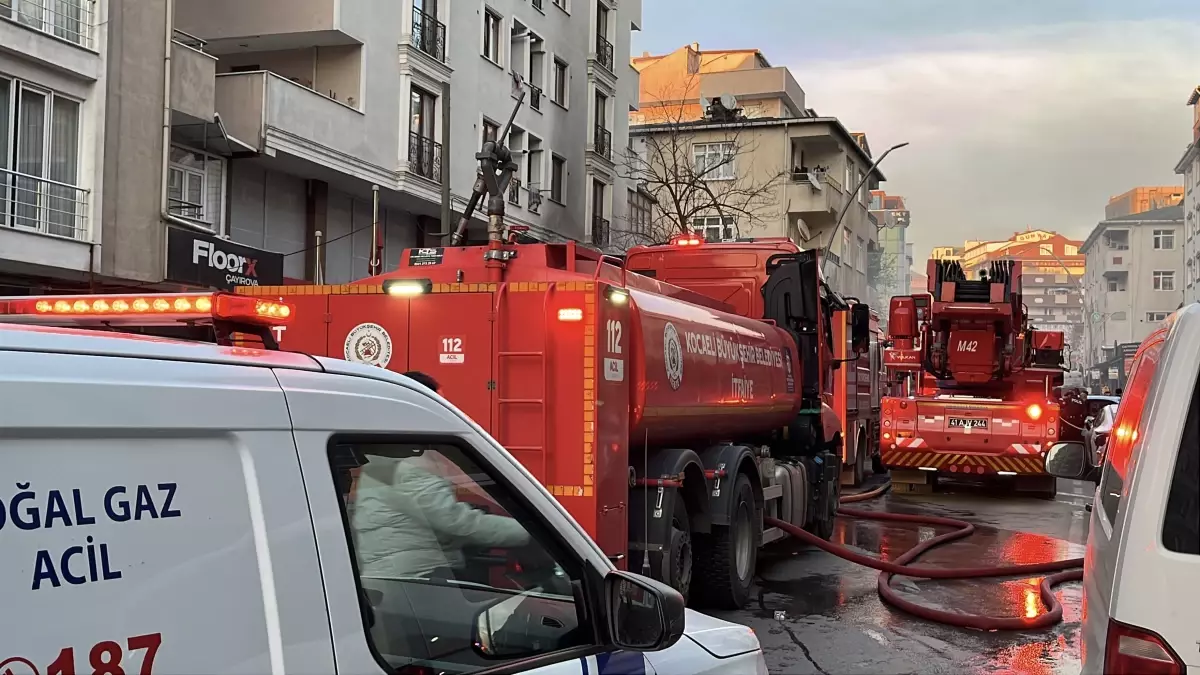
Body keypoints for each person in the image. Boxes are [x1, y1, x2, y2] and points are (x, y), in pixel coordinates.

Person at [353, 371, 531, 580]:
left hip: (398, 573)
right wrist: (530, 533)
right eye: (437, 406)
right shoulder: (409, 465)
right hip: (417, 579)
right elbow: (457, 523)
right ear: (418, 409)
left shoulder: (386, 456)